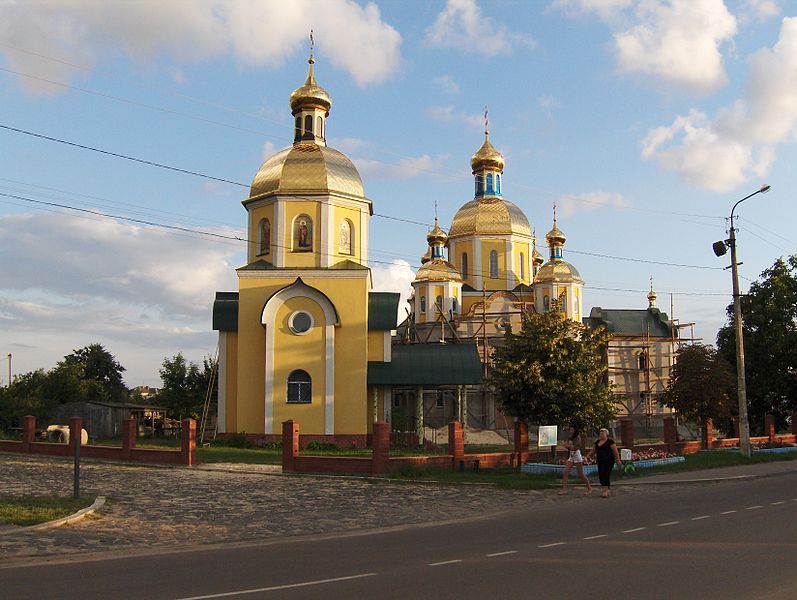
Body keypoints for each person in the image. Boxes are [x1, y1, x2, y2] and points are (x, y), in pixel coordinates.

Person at [584, 428, 622, 498]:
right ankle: (605, 488)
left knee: (606, 474)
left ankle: (606, 490)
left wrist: (618, 460)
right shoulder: (597, 442)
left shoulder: (610, 442)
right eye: (600, 433)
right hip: (600, 461)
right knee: (601, 475)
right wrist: (588, 456)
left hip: (609, 461)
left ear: (606, 434)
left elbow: (615, 451)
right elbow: (593, 451)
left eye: (602, 433)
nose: (601, 434)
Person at [558, 425, 592, 496]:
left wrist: (569, 446)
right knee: (566, 472)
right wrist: (568, 446)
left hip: (577, 456)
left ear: (575, 430)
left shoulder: (577, 438)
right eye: (570, 430)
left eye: (572, 430)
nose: (571, 431)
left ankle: (589, 488)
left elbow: (575, 447)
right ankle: (564, 489)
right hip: (571, 455)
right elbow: (566, 445)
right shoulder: (570, 437)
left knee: (581, 474)